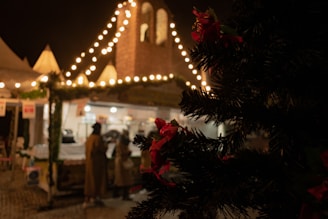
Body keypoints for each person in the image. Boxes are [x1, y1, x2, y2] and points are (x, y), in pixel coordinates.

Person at [83, 122, 108, 208]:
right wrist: (106, 145)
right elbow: (101, 148)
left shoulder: (89, 138)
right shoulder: (98, 138)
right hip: (97, 163)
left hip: (90, 162)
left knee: (89, 180)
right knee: (97, 180)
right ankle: (95, 196)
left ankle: (89, 197)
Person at [113, 129, 134, 201]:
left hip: (120, 162)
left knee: (120, 180)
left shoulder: (120, 141)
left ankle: (116, 194)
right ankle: (125, 195)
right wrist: (128, 153)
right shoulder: (122, 143)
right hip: (122, 162)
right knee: (125, 180)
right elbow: (123, 152)